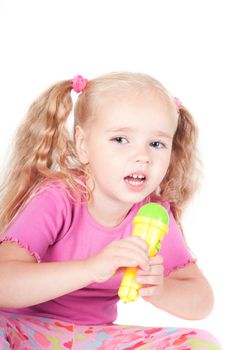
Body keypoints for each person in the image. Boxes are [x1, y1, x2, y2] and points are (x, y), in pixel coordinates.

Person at [0, 72, 221, 349]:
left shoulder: (152, 214)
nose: (143, 156)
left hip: (94, 337)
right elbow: (3, 283)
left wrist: (161, 290)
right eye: (120, 139)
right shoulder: (57, 197)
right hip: (21, 330)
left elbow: (202, 300)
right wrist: (91, 269)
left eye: (156, 144)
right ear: (83, 145)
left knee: (202, 343)